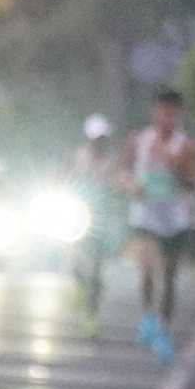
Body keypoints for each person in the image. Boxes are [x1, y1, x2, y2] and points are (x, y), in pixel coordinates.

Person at [125, 88, 195, 359]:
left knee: (169, 276)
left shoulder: (186, 147)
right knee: (147, 267)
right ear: (154, 112)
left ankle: (164, 329)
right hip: (144, 213)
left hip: (174, 218)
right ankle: (147, 317)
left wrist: (174, 165)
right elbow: (122, 170)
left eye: (172, 114)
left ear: (179, 115)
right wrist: (130, 185)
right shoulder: (139, 140)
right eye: (163, 112)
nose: (167, 119)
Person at [69, 114, 122, 321]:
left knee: (97, 268)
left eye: (102, 138)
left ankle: (91, 314)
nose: (99, 142)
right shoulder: (79, 156)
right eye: (95, 138)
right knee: (75, 259)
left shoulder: (112, 161)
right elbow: (67, 177)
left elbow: (117, 184)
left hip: (101, 218)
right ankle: (80, 284)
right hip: (79, 214)